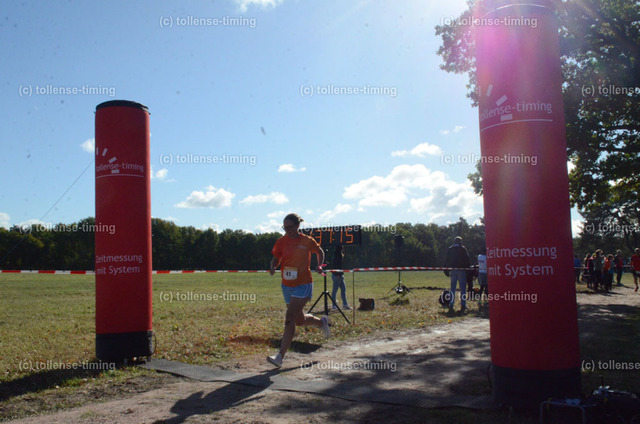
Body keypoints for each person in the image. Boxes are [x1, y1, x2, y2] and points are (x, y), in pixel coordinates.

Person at [267, 213, 330, 368]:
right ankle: (322, 322)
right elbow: (276, 257)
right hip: (287, 285)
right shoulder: (282, 241)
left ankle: (280, 357)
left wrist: (319, 265)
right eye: (284, 227)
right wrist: (273, 265)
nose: (287, 230)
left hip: (303, 284)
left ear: (297, 226)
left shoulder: (307, 241)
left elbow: (320, 252)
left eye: (289, 227)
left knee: (289, 317)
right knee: (299, 320)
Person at [443, 236, 471, 311]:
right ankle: (463, 305)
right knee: (463, 289)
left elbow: (447, 260)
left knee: (452, 288)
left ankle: (451, 304)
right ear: (460, 242)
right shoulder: (463, 249)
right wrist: (468, 269)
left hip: (453, 270)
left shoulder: (450, 249)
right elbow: (467, 259)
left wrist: (446, 270)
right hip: (461, 271)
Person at [330, 244, 350, 310]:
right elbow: (336, 265)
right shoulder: (337, 256)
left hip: (340, 275)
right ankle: (334, 305)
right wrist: (337, 274)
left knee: (343, 289)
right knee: (334, 291)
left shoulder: (338, 255)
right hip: (337, 276)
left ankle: (345, 305)